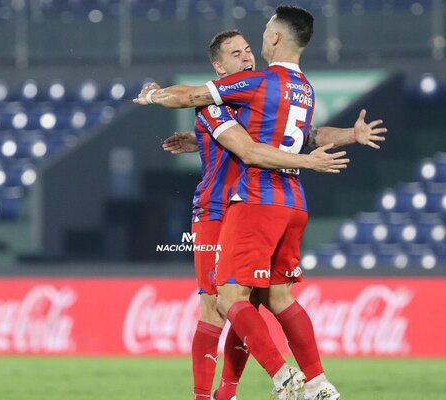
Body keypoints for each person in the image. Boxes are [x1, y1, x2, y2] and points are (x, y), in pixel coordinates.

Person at [136, 6, 385, 400]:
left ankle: (237, 389)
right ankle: (217, 394)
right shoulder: (225, 100)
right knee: (217, 305)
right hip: (218, 210)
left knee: (239, 298)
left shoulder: (254, 90)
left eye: (248, 48)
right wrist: (184, 122)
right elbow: (272, 138)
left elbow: (290, 139)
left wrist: (346, 137)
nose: (247, 56)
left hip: (252, 204)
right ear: (218, 67)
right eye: (235, 54)